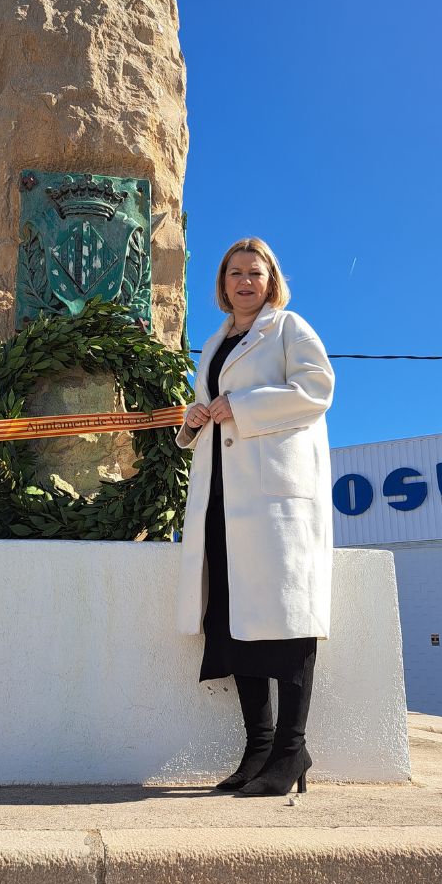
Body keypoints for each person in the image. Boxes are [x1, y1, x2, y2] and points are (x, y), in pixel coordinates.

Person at [174, 237, 335, 797]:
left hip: (274, 500)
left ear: (271, 281)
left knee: (287, 621)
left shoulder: (289, 328)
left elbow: (318, 390)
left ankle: (292, 748)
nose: (245, 282)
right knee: (236, 619)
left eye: (255, 273)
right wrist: (195, 420)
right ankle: (259, 747)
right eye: (235, 273)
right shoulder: (216, 342)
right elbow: (214, 409)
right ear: (222, 284)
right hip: (224, 494)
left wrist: (239, 406)